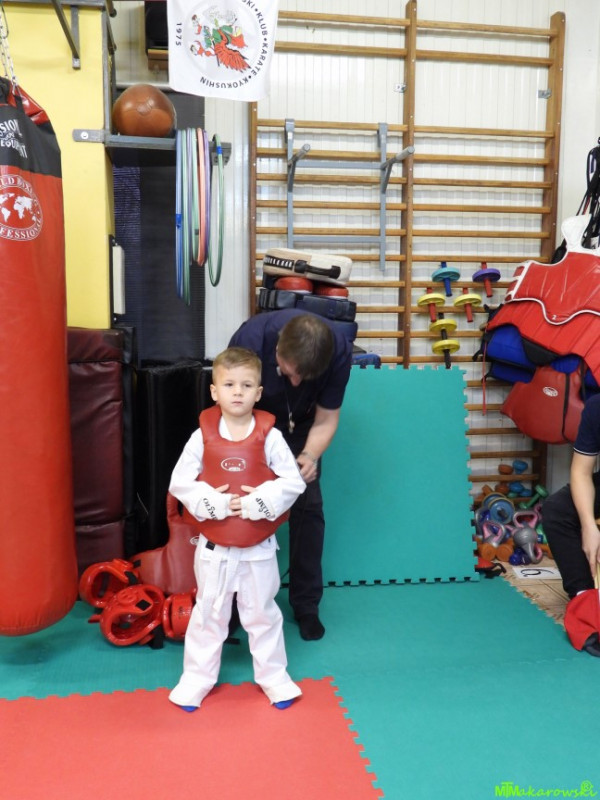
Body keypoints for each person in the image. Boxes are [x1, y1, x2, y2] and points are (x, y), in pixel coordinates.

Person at [168, 346, 306, 710]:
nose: (238, 392)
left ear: (258, 393)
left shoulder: (270, 436)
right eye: (229, 385)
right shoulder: (201, 436)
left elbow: (293, 483)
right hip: (214, 547)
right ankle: (196, 679)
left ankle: (274, 678)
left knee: (262, 613)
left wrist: (258, 501)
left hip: (258, 546)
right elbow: (180, 482)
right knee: (208, 613)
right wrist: (212, 502)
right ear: (214, 391)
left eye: (246, 385)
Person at [229, 309, 354, 640]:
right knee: (238, 508)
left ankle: (306, 604)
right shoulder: (251, 342)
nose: (296, 382)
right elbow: (231, 408)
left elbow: (326, 419)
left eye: (304, 377)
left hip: (303, 427)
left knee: (309, 507)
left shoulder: (338, 352)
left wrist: (309, 456)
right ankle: (232, 605)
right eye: (289, 373)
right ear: (276, 352)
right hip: (250, 421)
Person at [543, 393, 600, 656]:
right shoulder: (596, 407)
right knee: (557, 511)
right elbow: (581, 472)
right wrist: (588, 526)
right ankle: (584, 599)